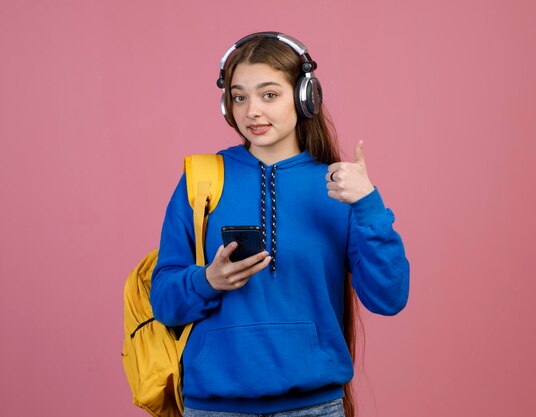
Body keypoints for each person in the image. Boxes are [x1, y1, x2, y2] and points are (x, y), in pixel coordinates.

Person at [150, 32, 410, 417]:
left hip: (314, 407)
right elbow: (164, 302)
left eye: (269, 95)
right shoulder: (200, 180)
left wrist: (369, 205)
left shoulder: (340, 188)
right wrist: (209, 280)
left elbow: (389, 298)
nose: (252, 111)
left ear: (306, 97)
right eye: (240, 97)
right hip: (214, 408)